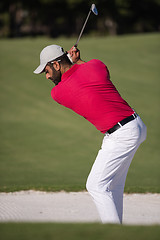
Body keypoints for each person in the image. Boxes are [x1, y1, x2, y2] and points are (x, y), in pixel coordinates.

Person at [34, 44, 147, 224]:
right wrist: (79, 62)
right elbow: (98, 75)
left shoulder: (58, 92)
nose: (46, 76)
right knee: (112, 185)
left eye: (46, 70)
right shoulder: (95, 65)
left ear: (56, 65)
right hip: (134, 125)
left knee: (95, 185)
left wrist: (75, 64)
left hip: (122, 134)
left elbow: (75, 81)